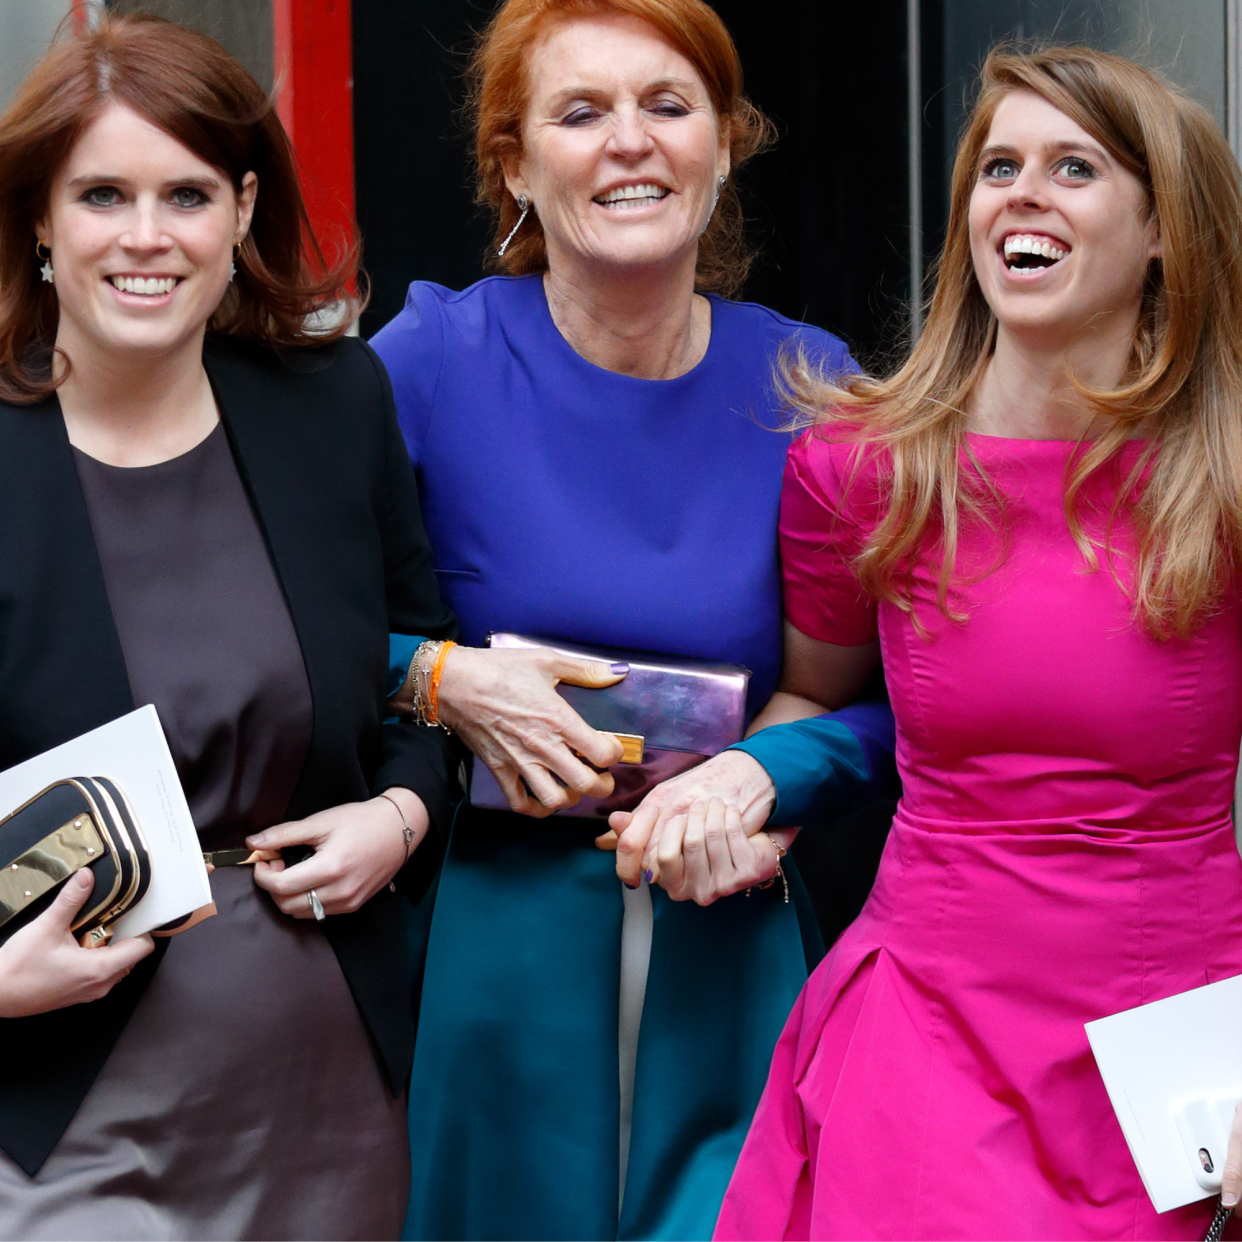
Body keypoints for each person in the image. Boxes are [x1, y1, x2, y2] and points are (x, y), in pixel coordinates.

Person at [680, 45, 1242, 1240]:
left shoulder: (1227, 482)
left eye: (1073, 167)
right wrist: (746, 790)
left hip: (1173, 1045)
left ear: (1161, 234)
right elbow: (821, 706)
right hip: (927, 1027)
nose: (1022, 194)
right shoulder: (861, 468)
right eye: (998, 167)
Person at [371, 0, 895, 1237]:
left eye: (668, 106)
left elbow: (905, 705)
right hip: (491, 962)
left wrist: (762, 776)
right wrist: (441, 678)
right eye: (581, 111)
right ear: (514, 163)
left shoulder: (816, 391)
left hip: (733, 936)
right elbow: (288, 624)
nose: (631, 143)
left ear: (724, 143)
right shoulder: (431, 359)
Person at [0, 15, 457, 1239]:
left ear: (243, 209)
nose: (146, 236)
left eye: (187, 193)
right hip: (54, 1103)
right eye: (102, 194)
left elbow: (422, 682)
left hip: (329, 1087)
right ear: (40, 219)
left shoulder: (334, 407)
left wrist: (400, 816)